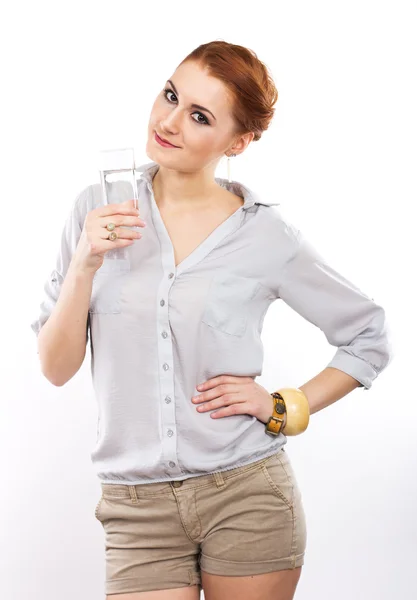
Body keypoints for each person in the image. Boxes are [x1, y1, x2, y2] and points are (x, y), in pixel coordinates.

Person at [31, 41, 393, 600]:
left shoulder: (266, 235)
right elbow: (56, 369)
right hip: (136, 507)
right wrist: (84, 261)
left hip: (247, 493)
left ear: (239, 142)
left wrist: (283, 406)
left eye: (200, 116)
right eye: (171, 95)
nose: (169, 121)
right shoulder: (96, 209)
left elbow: (368, 335)